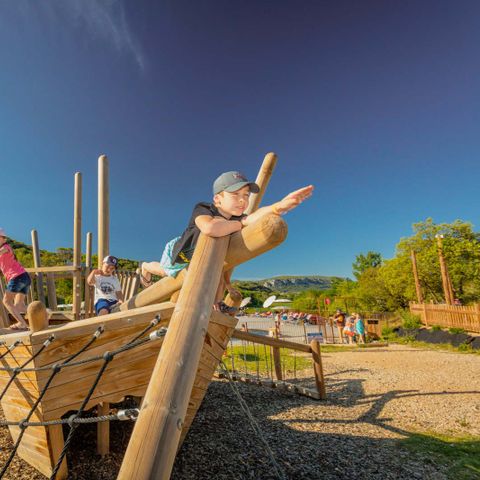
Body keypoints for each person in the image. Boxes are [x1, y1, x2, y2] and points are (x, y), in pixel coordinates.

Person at [137, 171, 314, 312]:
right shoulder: (204, 208)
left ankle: (216, 304)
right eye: (235, 194)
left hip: (205, 259)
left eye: (246, 195)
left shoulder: (238, 218)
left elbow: (255, 216)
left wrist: (279, 206)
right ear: (218, 199)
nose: (243, 200)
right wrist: (241, 223)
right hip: (179, 253)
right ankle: (145, 266)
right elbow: (209, 228)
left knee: (218, 275)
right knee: (165, 271)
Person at [0, 228, 31, 330]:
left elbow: (2, 251)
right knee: (19, 306)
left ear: (4, 239)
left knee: (6, 301)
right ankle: (43, 313)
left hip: (17, 277)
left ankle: (21, 323)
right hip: (24, 277)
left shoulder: (6, 247)